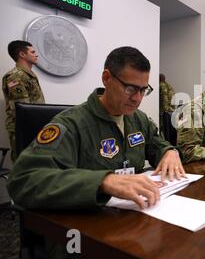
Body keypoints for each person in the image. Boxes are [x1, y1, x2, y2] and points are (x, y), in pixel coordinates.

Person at [7, 46, 185, 212]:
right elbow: (23, 181)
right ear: (107, 78)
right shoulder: (71, 124)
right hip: (87, 224)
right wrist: (102, 181)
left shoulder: (139, 119)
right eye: (130, 88)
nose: (137, 99)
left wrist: (169, 152)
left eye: (143, 90)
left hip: (135, 214)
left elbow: (157, 144)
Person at [2, 40, 45, 161]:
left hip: (33, 125)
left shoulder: (28, 75)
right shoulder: (16, 76)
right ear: (22, 54)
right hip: (22, 127)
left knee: (33, 163)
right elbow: (21, 108)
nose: (36, 54)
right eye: (32, 52)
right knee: (22, 163)